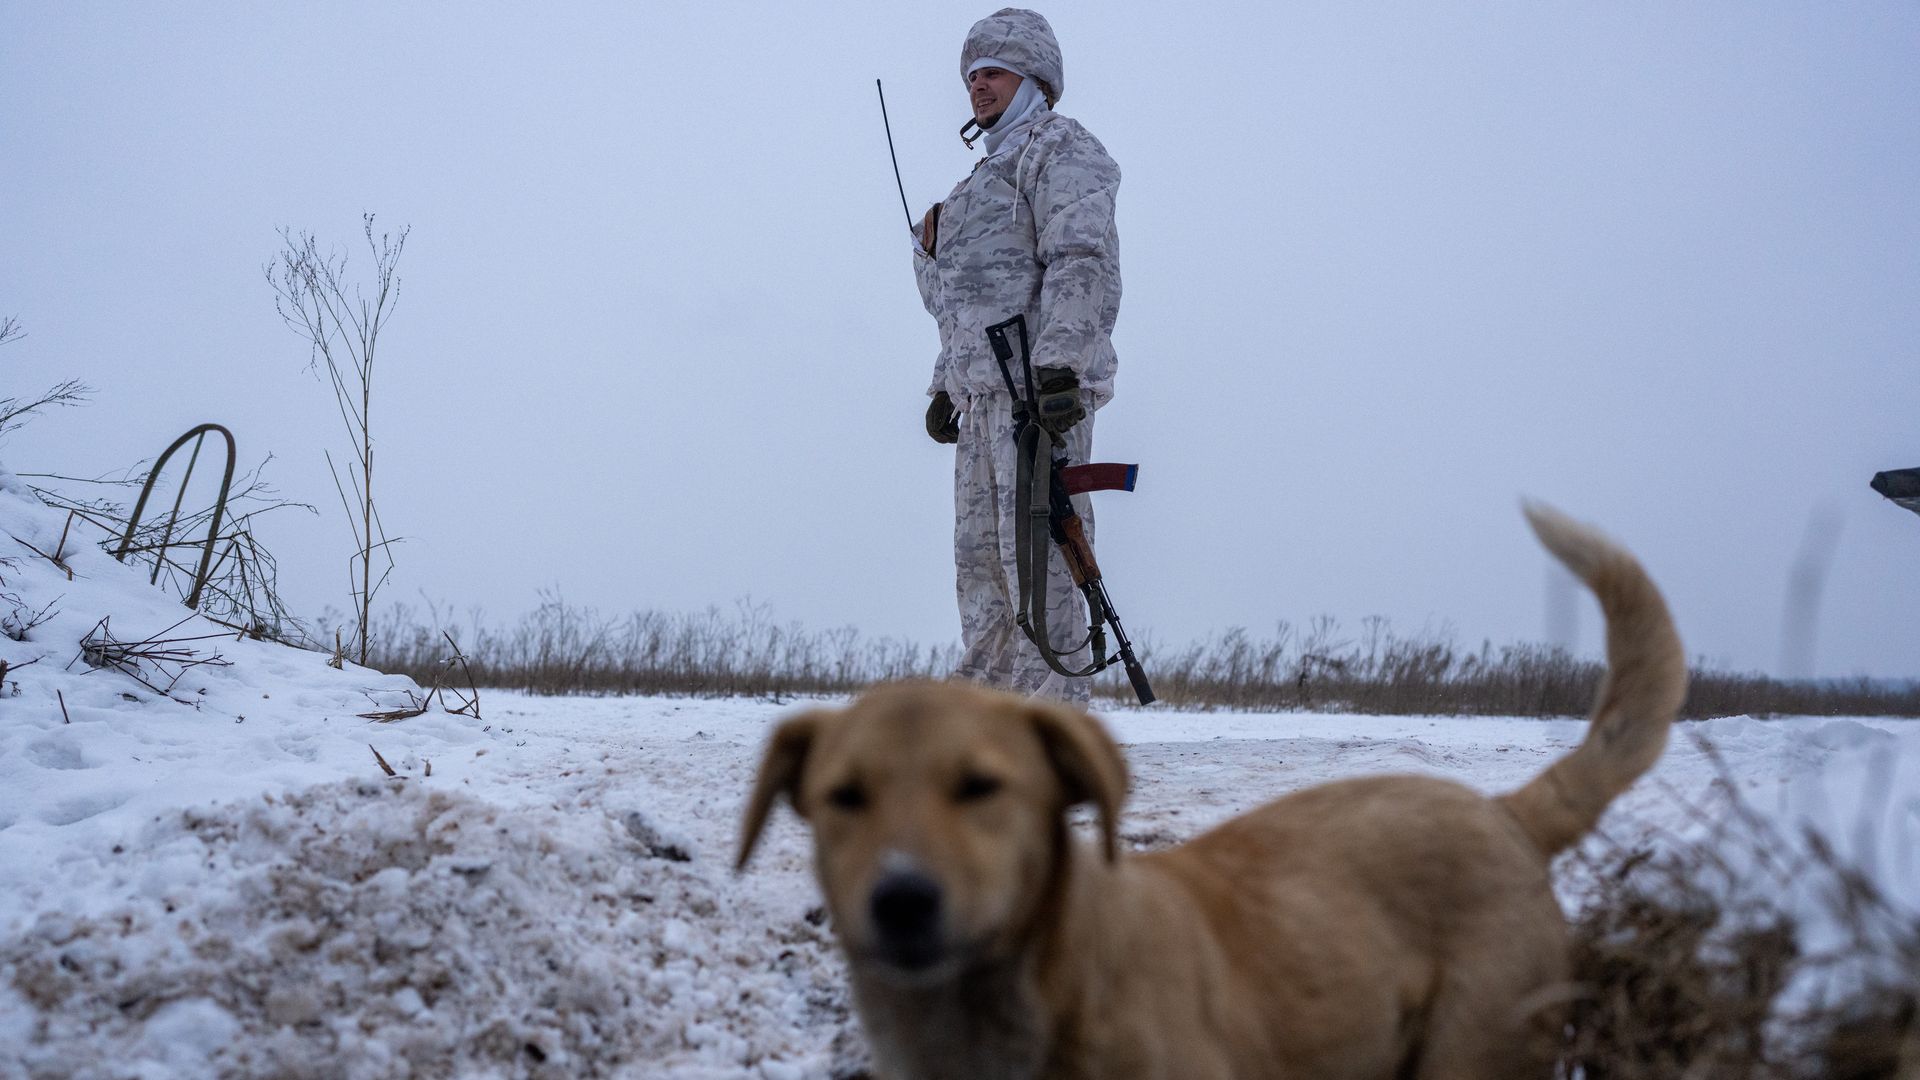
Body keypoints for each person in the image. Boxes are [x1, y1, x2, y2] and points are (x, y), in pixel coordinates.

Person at [912, 8, 1122, 704]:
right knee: (982, 568)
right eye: (971, 76)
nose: (978, 86)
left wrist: (1060, 367)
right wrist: (947, 384)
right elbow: (961, 301)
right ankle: (987, 712)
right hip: (981, 405)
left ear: (1032, 76)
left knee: (1040, 560)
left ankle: (1049, 716)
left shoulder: (1060, 151)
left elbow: (1080, 258)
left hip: (1037, 397)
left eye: (993, 72)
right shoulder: (972, 187)